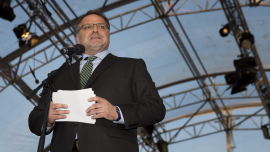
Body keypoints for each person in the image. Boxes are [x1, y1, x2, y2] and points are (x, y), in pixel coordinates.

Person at [28, 9, 166, 152]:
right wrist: (48, 118)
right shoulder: (58, 75)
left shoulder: (131, 66)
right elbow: (35, 120)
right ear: (78, 39)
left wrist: (116, 112)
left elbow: (156, 108)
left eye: (101, 26)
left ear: (108, 35)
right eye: (88, 27)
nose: (95, 30)